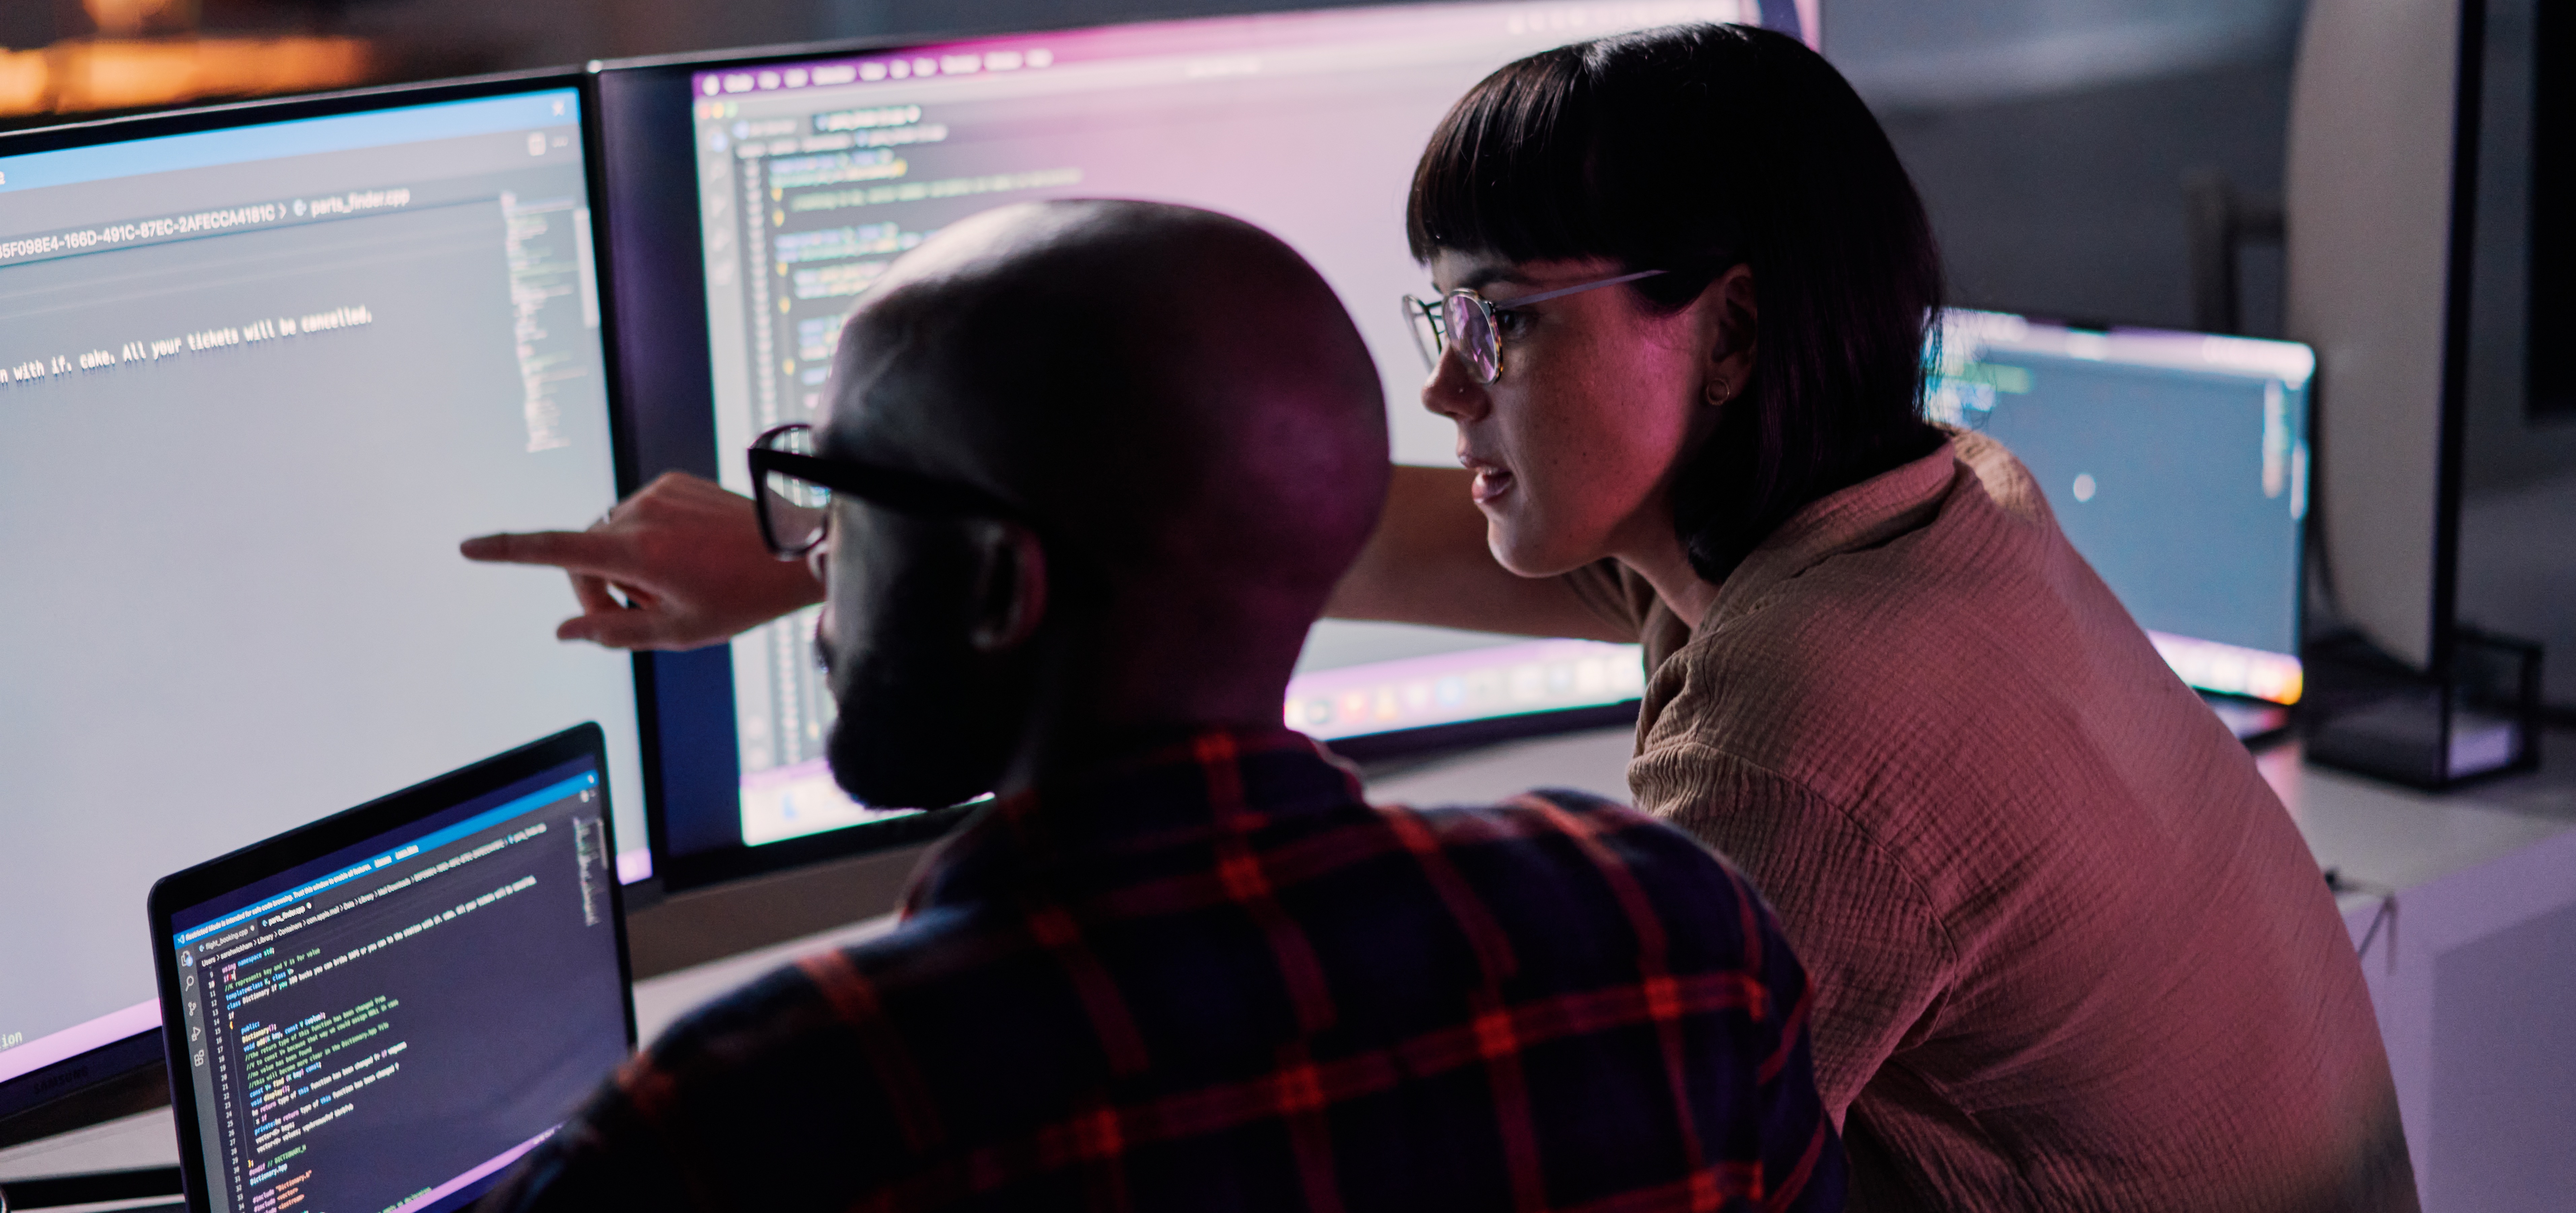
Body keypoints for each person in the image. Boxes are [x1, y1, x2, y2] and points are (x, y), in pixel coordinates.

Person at [467, 25, 2415, 1211]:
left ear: (1724, 329)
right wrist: (830, 556)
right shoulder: (1911, 518)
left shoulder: (1810, 738)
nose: (1445, 388)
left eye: (1502, 318)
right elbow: (1253, 521)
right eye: (1436, 321)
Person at [479, 200, 1845, 1212]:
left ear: (999, 585)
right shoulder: (1667, 937)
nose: (812, 555)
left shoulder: (751, 1116)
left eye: (843, 504)